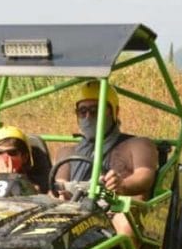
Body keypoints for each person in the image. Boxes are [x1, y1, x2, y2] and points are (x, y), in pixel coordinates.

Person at [54, 80, 159, 240]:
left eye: (96, 110)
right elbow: (57, 185)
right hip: (76, 214)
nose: (88, 116)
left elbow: (144, 176)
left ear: (114, 111)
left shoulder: (138, 144)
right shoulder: (66, 152)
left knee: (126, 224)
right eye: (83, 111)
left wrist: (122, 185)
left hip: (116, 212)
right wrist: (61, 194)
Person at [0, 125, 37, 191]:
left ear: (24, 157)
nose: (5, 159)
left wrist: (11, 180)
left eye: (12, 153)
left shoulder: (32, 187)